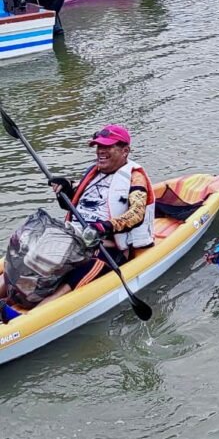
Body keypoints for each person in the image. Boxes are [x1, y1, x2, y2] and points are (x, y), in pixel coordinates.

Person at [0, 124, 156, 308]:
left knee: (76, 276)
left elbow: (136, 214)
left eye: (107, 146)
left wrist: (104, 226)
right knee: (24, 253)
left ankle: (21, 318)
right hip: (74, 237)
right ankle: (9, 292)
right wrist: (65, 188)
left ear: (125, 150)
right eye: (99, 146)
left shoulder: (135, 178)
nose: (100, 151)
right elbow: (76, 201)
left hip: (105, 247)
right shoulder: (93, 172)